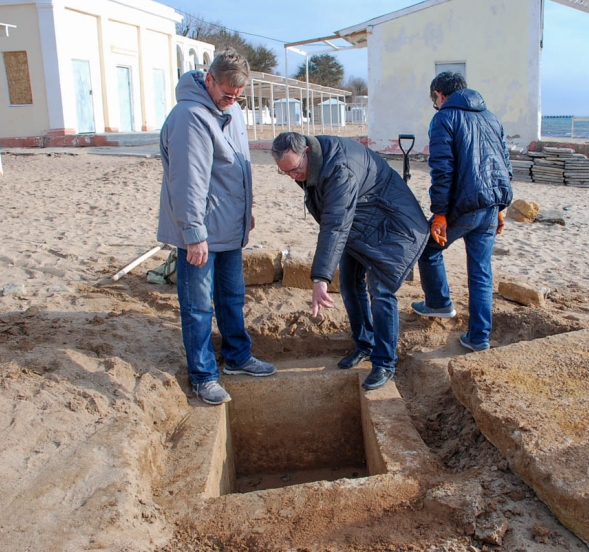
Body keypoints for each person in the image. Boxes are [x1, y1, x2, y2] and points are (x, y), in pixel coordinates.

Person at [157, 48, 275, 405]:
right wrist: (193, 235)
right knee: (197, 306)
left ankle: (237, 357)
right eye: (226, 94)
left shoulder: (233, 109)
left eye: (238, 96)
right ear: (208, 80)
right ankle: (204, 375)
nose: (232, 102)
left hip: (228, 226)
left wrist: (246, 211)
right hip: (200, 232)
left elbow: (241, 166)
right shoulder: (190, 117)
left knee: (232, 297)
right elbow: (187, 181)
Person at [271, 132, 430, 390]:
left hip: (392, 226)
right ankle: (365, 344)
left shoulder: (338, 168)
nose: (293, 177)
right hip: (360, 222)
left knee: (381, 289)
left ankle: (385, 362)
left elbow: (334, 224)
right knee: (348, 281)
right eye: (285, 172)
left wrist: (320, 278)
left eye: (295, 169)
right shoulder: (313, 160)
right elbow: (335, 218)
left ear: (306, 153)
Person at [411, 72, 513, 352]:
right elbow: (503, 164)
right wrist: (500, 208)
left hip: (464, 206)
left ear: (440, 95)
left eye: (435, 99)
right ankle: (479, 337)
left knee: (428, 249)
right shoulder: (491, 117)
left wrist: (440, 214)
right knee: (481, 271)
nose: (436, 104)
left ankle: (439, 303)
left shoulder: (444, 118)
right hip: (491, 205)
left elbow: (442, 170)